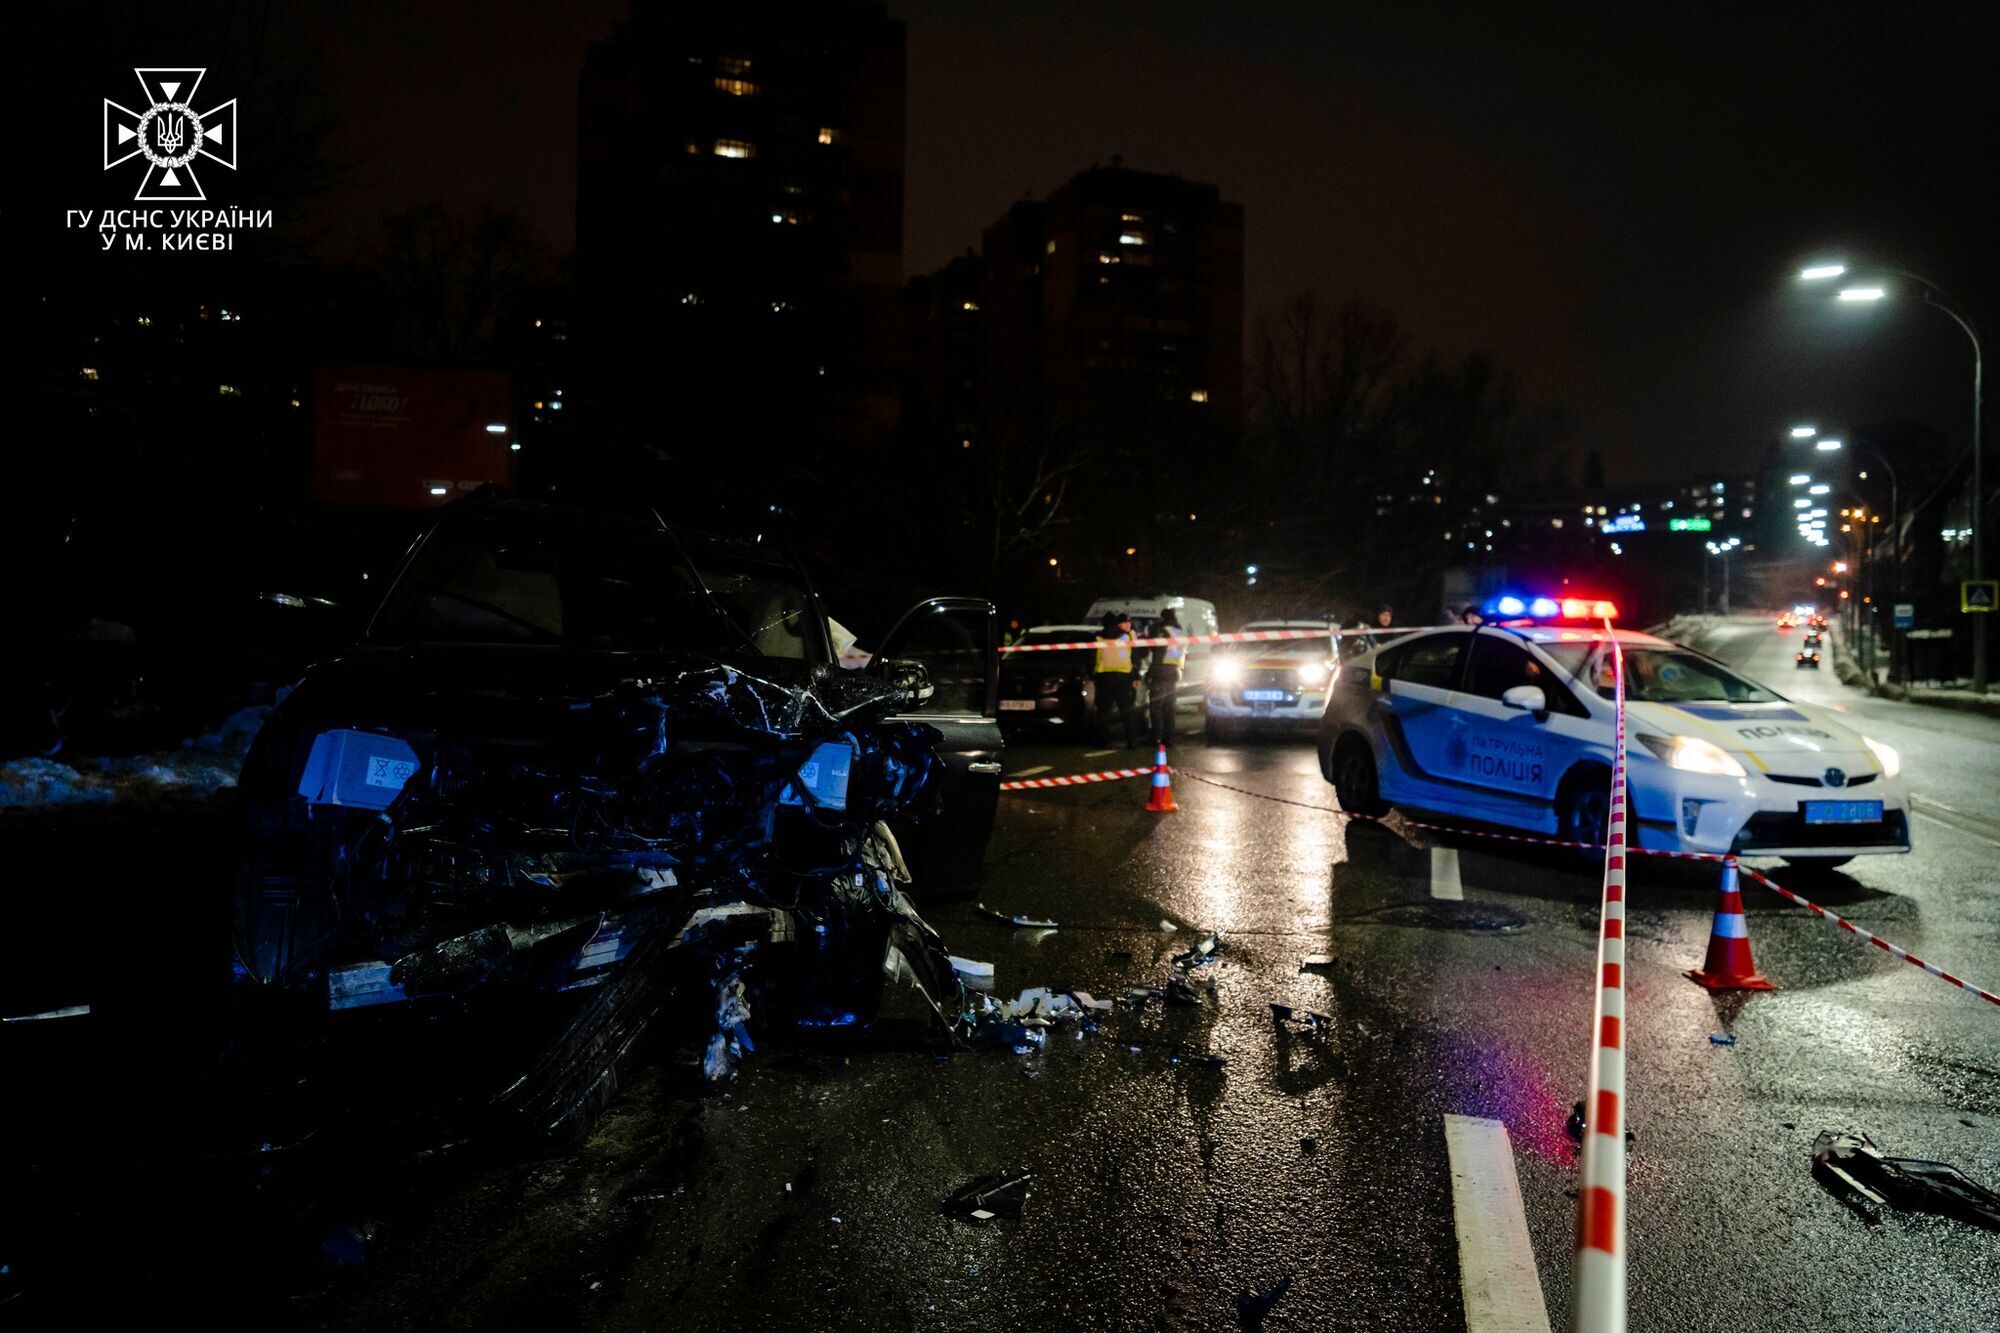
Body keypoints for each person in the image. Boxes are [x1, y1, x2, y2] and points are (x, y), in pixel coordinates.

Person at [1092, 610, 1143, 748]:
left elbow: (1091, 659)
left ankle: (1103, 742)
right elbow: (1135, 657)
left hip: (1104, 678)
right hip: (1124, 678)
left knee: (1104, 713)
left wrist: (1093, 676)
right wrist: (1136, 675)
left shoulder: (1098, 637)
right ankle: (1131, 741)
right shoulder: (1126, 637)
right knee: (1127, 711)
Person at [1148, 608, 1187, 745]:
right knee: (1169, 707)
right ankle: (1169, 738)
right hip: (1174, 672)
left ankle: (1156, 737)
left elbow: (1158, 652)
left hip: (1160, 671)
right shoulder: (1179, 631)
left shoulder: (1162, 631)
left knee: (1156, 707)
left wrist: (1150, 673)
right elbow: (1182, 654)